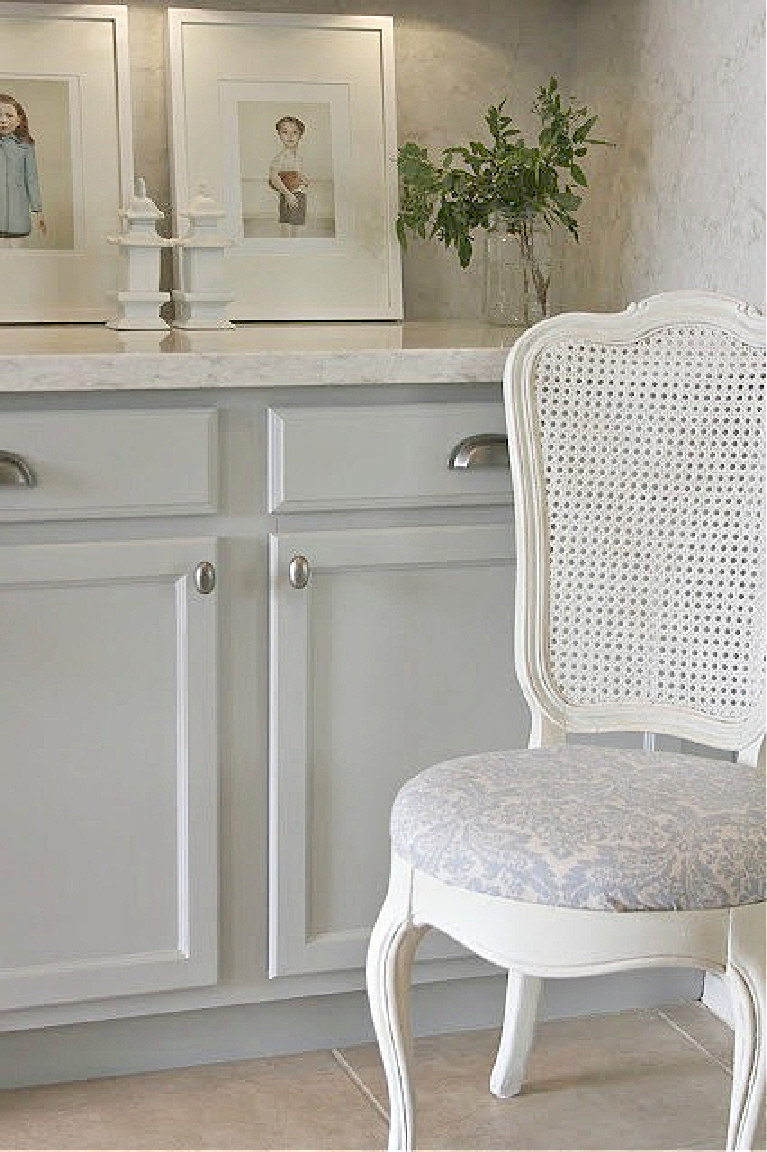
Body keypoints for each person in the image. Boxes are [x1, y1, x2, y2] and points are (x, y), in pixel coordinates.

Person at [0, 93, 46, 247]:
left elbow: (31, 179)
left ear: (18, 120)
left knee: (16, 252)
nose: (3, 120)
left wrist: (38, 210)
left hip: (17, 212)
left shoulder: (25, 146)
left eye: (9, 115)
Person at [268, 115, 309, 235]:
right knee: (287, 228)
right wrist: (288, 195)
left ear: (300, 135)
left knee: (297, 229)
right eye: (285, 132)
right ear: (279, 135)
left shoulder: (298, 157)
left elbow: (297, 174)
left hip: (299, 196)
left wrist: (303, 179)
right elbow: (274, 178)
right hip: (290, 196)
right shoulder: (280, 158)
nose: (290, 136)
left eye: (294, 132)